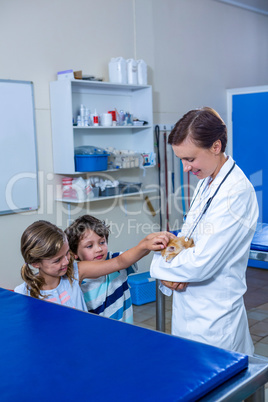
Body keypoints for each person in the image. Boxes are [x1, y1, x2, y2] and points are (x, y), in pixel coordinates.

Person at [150, 107, 258, 355]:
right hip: (188, 307)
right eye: (181, 160)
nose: (186, 168)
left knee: (221, 389)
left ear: (216, 147)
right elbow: (185, 239)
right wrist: (172, 273)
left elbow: (200, 262)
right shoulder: (207, 181)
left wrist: (159, 268)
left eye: (190, 159)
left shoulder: (236, 192)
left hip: (215, 317)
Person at [14, 220, 172, 312]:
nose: (66, 261)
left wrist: (145, 244)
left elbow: (119, 262)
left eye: (67, 253)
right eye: (57, 260)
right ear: (35, 263)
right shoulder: (22, 294)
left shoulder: (75, 272)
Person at [65, 215, 136, 323]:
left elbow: (127, 258)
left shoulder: (117, 260)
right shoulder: (77, 279)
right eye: (89, 246)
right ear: (74, 253)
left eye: (102, 242)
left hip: (126, 333)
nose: (98, 249)